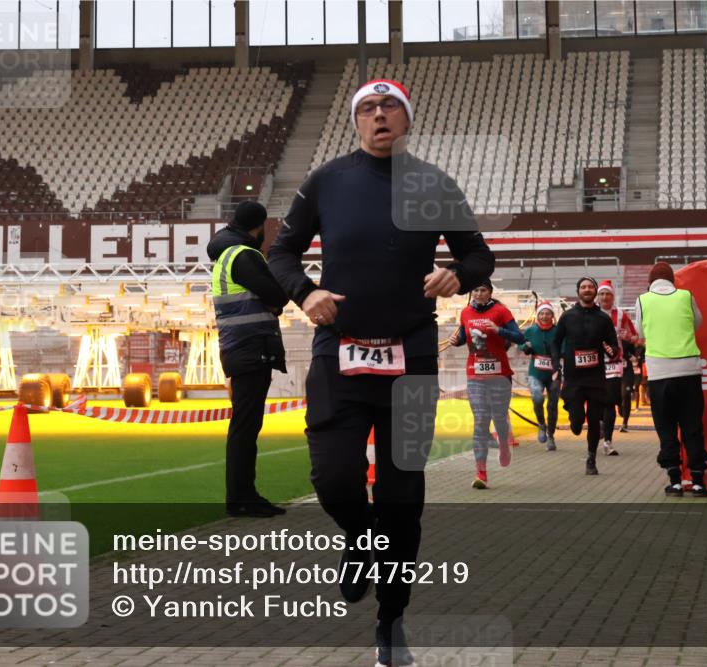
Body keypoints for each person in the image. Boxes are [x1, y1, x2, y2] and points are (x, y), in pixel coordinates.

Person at [269, 78, 494, 666]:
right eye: (367, 108)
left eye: (388, 105)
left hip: (411, 359)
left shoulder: (434, 184)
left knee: (404, 499)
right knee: (336, 480)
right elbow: (281, 253)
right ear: (355, 122)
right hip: (338, 355)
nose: (378, 114)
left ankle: (391, 622)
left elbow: (478, 254)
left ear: (406, 119)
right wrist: (305, 293)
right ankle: (359, 539)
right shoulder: (327, 181)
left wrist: (457, 275)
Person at [207, 201, 289, 518]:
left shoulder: (225, 255)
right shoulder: (244, 255)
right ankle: (243, 497)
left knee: (244, 425)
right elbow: (277, 295)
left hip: (239, 348)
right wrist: (275, 303)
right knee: (245, 427)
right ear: (260, 226)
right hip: (251, 348)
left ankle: (241, 496)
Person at [634, 262, 707, 498]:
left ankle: (675, 481)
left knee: (666, 428)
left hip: (659, 374)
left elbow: (641, 332)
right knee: (692, 426)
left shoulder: (642, 300)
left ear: (651, 281)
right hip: (688, 370)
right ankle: (698, 481)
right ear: (671, 280)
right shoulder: (686, 296)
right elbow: (698, 323)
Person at [448, 280, 525, 488]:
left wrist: (498, 330)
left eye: (483, 290)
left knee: (499, 418)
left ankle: (503, 445)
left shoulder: (501, 311)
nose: (479, 294)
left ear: (490, 292)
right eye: (475, 290)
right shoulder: (465, 313)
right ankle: (481, 473)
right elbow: (464, 337)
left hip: (500, 375)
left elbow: (519, 336)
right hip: (475, 375)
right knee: (481, 420)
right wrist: (458, 341)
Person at [551, 277, 620, 475]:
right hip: (573, 378)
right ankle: (574, 420)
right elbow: (555, 342)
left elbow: (614, 347)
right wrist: (557, 365)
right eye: (583, 287)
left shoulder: (604, 319)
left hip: (596, 378)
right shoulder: (567, 316)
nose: (587, 290)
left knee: (594, 418)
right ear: (578, 291)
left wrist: (611, 350)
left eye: (590, 287)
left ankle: (591, 458)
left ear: (596, 292)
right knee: (577, 423)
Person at [596, 280, 638, 455]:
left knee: (611, 402)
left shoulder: (621, 315)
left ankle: (608, 442)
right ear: (598, 296)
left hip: (614, 364)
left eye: (608, 294)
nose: (605, 297)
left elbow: (636, 337)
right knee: (596, 403)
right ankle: (599, 423)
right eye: (602, 294)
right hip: (594, 364)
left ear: (613, 297)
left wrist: (628, 336)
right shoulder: (590, 313)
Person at [520, 301, 560, 451]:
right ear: (537, 315)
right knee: (537, 397)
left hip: (554, 372)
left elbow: (565, 345)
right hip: (535, 372)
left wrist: (556, 353)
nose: (544, 316)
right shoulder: (531, 330)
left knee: (553, 404)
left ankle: (551, 435)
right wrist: (525, 347)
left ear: (552, 315)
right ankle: (541, 424)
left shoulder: (557, 331)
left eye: (547, 313)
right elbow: (521, 342)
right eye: (541, 313)